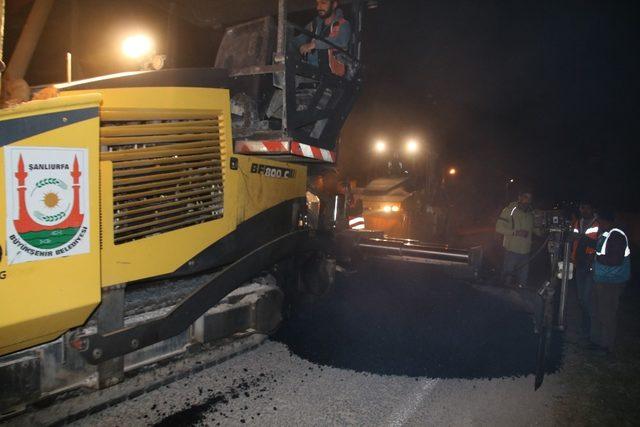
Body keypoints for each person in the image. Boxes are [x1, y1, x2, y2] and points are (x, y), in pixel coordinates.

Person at [589, 210, 631, 353]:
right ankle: (597, 341)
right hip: (602, 279)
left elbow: (615, 260)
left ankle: (606, 346)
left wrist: (597, 258)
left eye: (599, 221)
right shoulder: (607, 234)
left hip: (611, 282)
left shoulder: (617, 235)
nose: (598, 224)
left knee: (607, 314)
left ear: (606, 221)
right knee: (598, 311)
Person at [496, 191, 541, 288]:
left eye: (530, 198)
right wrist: (515, 232)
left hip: (525, 253)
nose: (528, 200)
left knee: (523, 281)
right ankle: (503, 297)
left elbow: (538, 232)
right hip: (511, 250)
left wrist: (539, 220)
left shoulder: (531, 214)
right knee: (506, 278)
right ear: (519, 197)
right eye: (525, 197)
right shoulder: (509, 210)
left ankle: (520, 299)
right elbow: (498, 228)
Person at [297, 0, 351, 77]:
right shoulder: (314, 23)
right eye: (317, 3)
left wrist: (314, 44)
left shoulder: (343, 24)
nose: (318, 7)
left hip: (333, 78)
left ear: (334, 4)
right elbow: (299, 39)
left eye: (323, 3)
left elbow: (341, 41)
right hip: (311, 74)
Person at [571, 202, 600, 336]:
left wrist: (583, 238)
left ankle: (590, 328)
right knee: (581, 297)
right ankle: (585, 325)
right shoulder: (578, 222)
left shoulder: (598, 223)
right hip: (579, 263)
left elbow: (598, 244)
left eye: (587, 207)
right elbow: (574, 240)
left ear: (592, 208)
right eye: (582, 207)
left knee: (588, 298)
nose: (584, 210)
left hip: (591, 265)